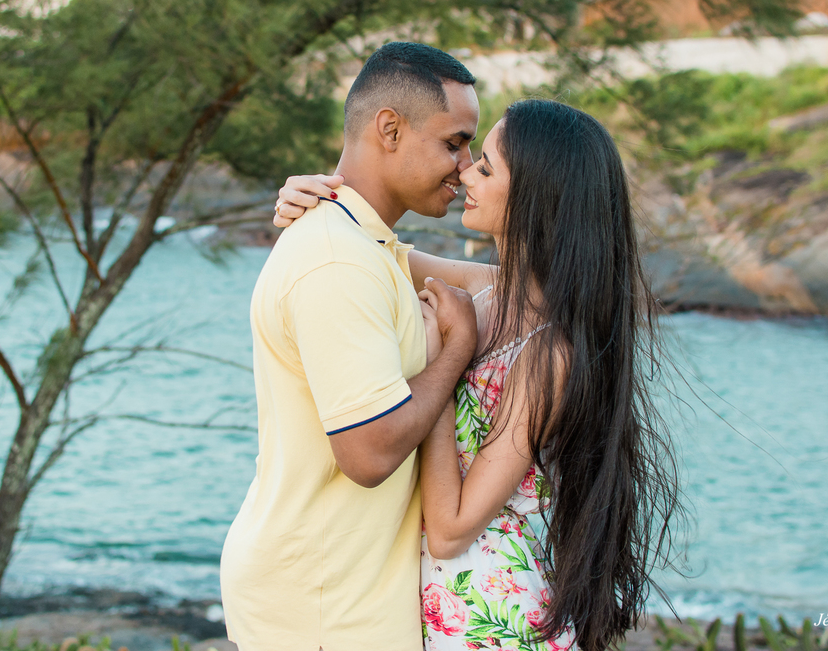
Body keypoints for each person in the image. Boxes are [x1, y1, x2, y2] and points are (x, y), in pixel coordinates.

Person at [273, 98, 683, 651]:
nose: (464, 170)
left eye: (485, 166)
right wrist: (311, 199)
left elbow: (449, 530)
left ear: (536, 197)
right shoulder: (479, 288)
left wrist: (448, 354)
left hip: (493, 621)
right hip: (439, 613)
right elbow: (357, 251)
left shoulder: (549, 353)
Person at [220, 41, 484, 651]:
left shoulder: (366, 244)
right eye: (454, 143)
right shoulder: (339, 258)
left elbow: (517, 291)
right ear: (388, 129)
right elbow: (367, 454)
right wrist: (455, 350)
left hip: (344, 598)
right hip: (321, 607)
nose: (466, 167)